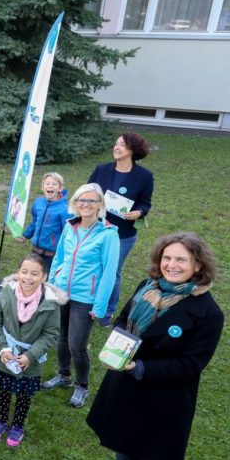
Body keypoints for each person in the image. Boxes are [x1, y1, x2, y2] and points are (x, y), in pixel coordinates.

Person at [87, 232, 223, 460]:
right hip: (127, 380)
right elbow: (123, 319)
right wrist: (118, 346)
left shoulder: (208, 313)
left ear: (198, 265)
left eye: (181, 260)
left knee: (159, 455)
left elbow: (191, 364)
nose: (172, 265)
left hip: (167, 395)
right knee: (124, 437)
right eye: (167, 258)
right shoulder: (145, 287)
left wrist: (141, 367)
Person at [41, 183, 120, 408]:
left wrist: (100, 305)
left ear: (100, 205)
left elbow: (108, 273)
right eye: (81, 200)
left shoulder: (108, 235)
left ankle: (81, 385)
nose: (85, 204)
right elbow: (59, 258)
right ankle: (64, 375)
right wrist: (53, 286)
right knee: (61, 338)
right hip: (63, 293)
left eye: (91, 201)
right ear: (75, 204)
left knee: (77, 344)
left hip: (86, 298)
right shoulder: (70, 227)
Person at [0, 254, 65, 448]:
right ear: (18, 272)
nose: (28, 277)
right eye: (24, 272)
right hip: (5, 356)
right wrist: (2, 347)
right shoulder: (6, 293)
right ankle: (1, 421)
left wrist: (31, 355)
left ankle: (18, 426)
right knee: (3, 390)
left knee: (23, 395)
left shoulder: (50, 303)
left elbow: (50, 334)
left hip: (30, 361)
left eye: (35, 274)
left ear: (44, 277)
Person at [88, 132, 155, 324]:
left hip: (122, 234)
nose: (116, 148)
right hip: (96, 228)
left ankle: (106, 312)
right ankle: (89, 303)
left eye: (122, 145)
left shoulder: (144, 176)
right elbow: (87, 192)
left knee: (111, 272)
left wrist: (139, 213)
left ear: (132, 150)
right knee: (93, 267)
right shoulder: (102, 170)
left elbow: (145, 203)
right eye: (116, 144)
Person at [18, 172, 71, 274]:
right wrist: (25, 235)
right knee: (34, 272)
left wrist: (66, 252)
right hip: (36, 249)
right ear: (42, 187)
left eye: (54, 184)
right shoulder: (38, 203)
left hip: (52, 253)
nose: (50, 186)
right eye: (47, 183)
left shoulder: (65, 209)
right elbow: (34, 222)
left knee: (47, 276)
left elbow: (68, 233)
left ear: (60, 188)